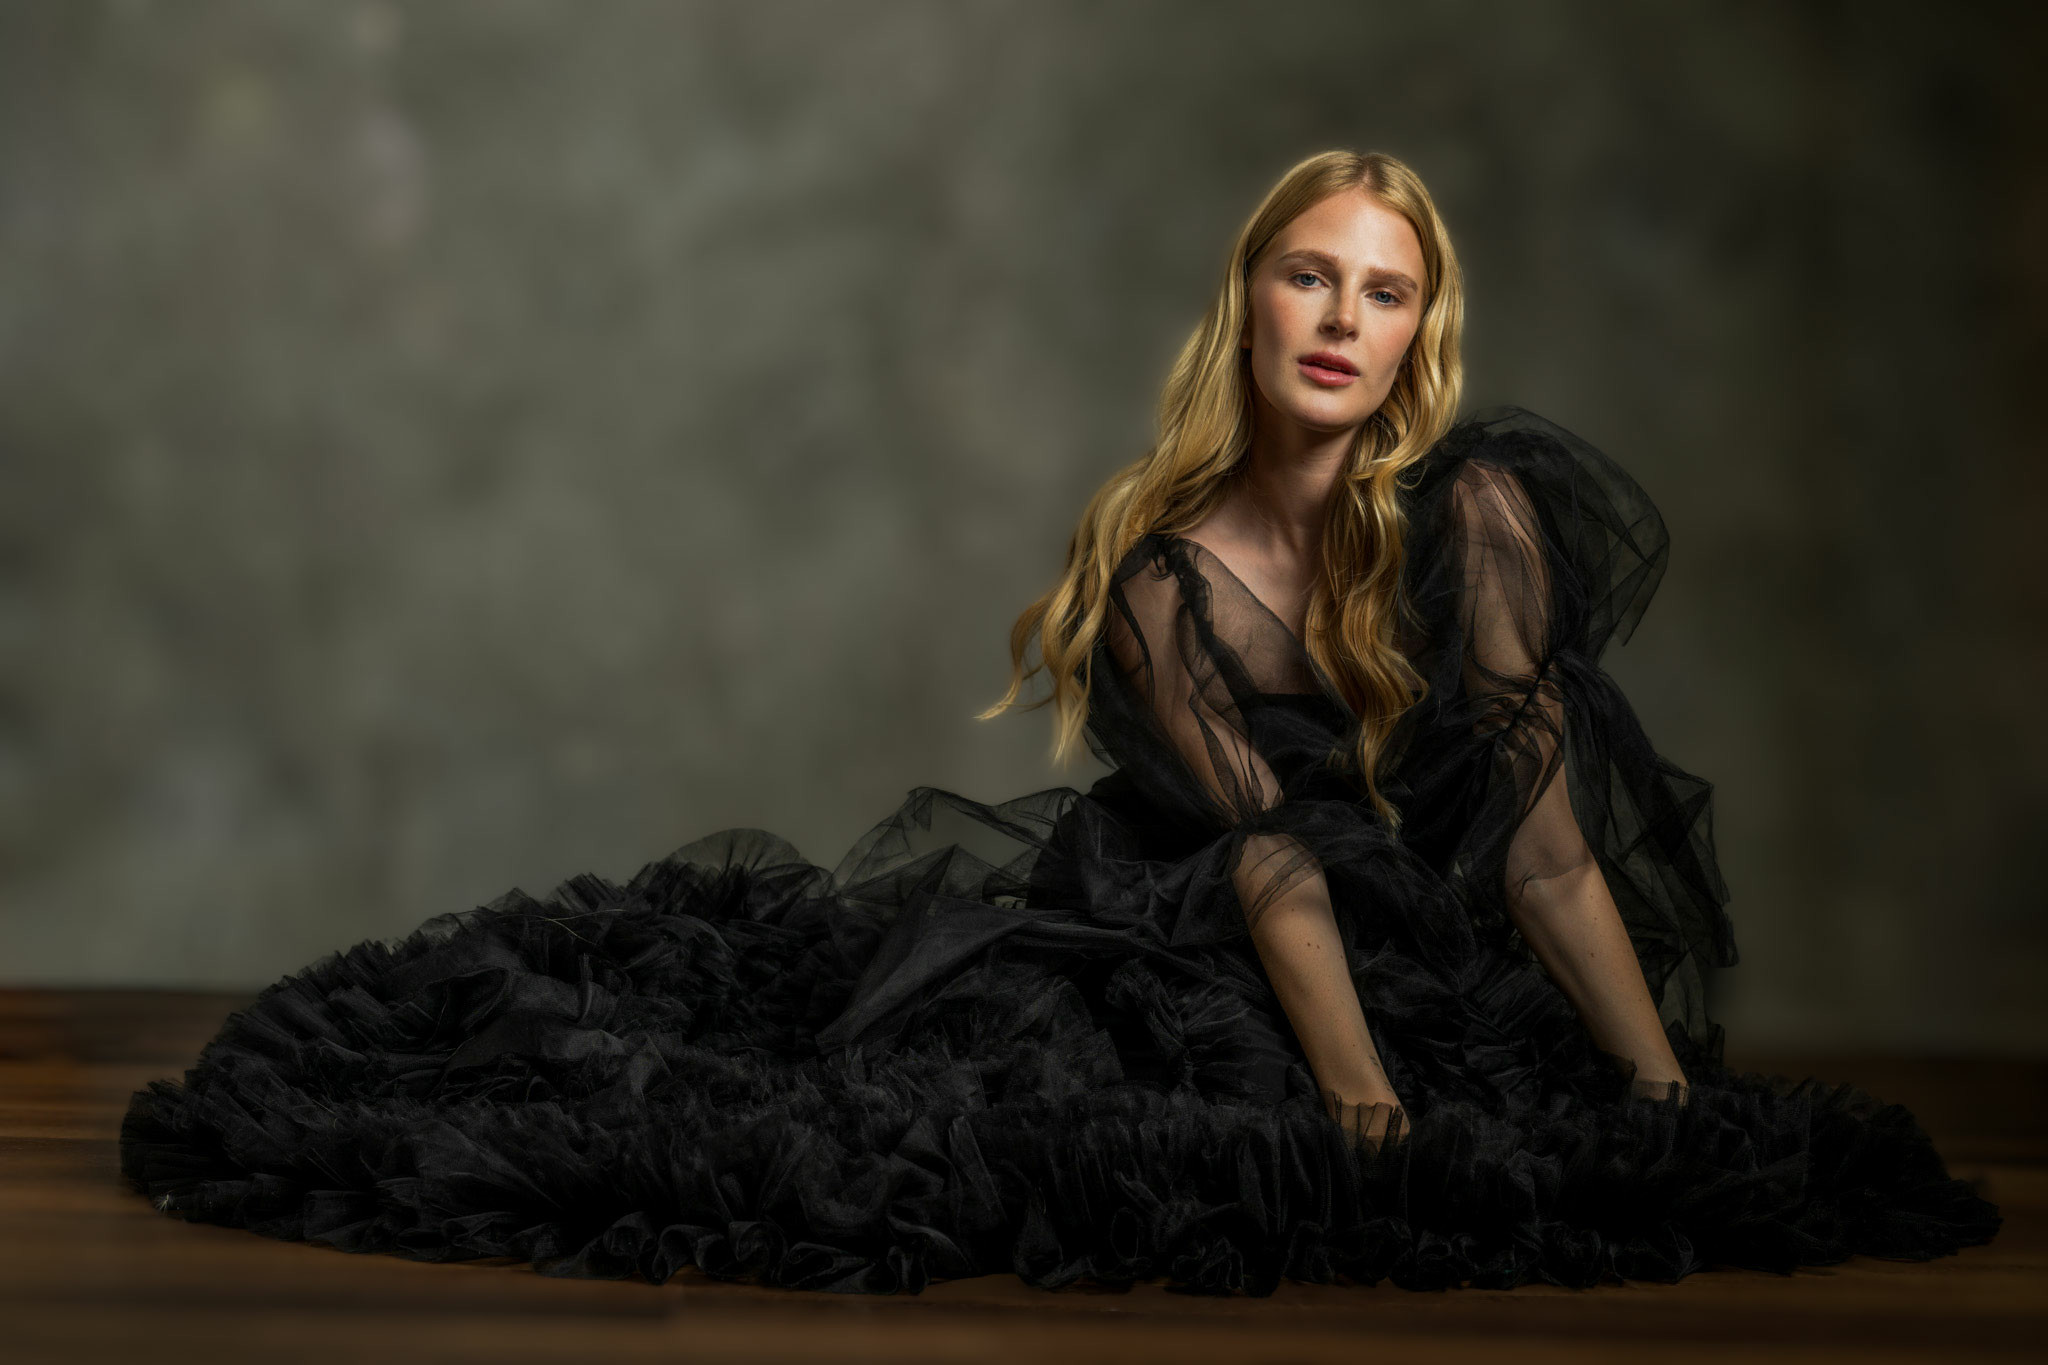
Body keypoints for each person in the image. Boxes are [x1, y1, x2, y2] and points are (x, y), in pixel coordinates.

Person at [119, 150, 2001, 1296]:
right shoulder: (1171, 573)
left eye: (1385, 293)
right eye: (1310, 273)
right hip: (1209, 932)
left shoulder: (1476, 516)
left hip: (1422, 931)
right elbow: (1268, 863)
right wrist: (1367, 1116)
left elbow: (1552, 847)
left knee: (1590, 1104)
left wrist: (1668, 1095)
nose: (1340, 318)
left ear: (1416, 337)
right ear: (1249, 295)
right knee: (949, 1120)